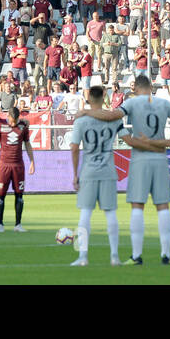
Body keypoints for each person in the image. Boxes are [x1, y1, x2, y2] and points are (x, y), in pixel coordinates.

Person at [79, 75, 170, 264]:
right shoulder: (165, 103)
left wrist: (86, 112)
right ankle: (166, 255)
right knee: (163, 206)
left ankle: (136, 256)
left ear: (136, 89)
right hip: (160, 158)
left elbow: (111, 115)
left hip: (140, 158)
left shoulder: (132, 104)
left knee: (137, 206)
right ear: (151, 86)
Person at [69, 85, 126, 266]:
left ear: (88, 98)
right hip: (108, 170)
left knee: (85, 213)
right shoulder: (114, 120)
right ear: (104, 97)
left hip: (89, 171)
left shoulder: (81, 121)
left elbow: (74, 147)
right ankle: (115, 256)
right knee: (110, 213)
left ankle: (82, 257)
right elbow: (127, 137)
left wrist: (75, 174)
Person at [0, 106, 35, 231]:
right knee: (1, 195)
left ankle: (18, 225)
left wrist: (32, 161)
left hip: (18, 165)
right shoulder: (0, 125)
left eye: (15, 121)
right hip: (4, 165)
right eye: (11, 121)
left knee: (19, 195)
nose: (13, 123)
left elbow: (27, 144)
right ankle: (0, 224)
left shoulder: (23, 126)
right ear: (8, 117)